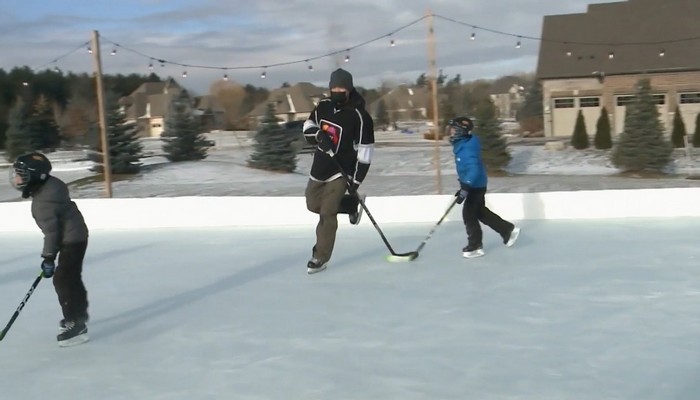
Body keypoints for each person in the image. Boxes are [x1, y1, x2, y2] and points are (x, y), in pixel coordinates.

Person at [10, 152, 90, 346]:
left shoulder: (43, 203)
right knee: (70, 277)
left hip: (72, 239)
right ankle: (79, 314)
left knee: (63, 279)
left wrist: (48, 257)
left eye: (21, 174)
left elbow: (52, 234)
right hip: (76, 235)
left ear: (35, 176)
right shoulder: (50, 187)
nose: (16, 178)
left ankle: (76, 323)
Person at [302, 68, 375, 274]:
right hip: (319, 167)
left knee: (327, 213)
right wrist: (317, 135)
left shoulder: (360, 117)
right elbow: (308, 125)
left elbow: (366, 152)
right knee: (312, 203)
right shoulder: (323, 106)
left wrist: (356, 180)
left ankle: (320, 256)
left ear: (349, 89)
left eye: (341, 88)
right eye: (333, 87)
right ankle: (351, 205)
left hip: (341, 172)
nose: (337, 91)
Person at [448, 117, 520, 258]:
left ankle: (475, 245)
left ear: (461, 131)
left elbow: (473, 169)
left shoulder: (466, 148)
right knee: (480, 213)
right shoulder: (464, 144)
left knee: (469, 215)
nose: (450, 132)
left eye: (453, 129)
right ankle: (507, 230)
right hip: (475, 184)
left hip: (475, 185)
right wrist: (464, 186)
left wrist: (466, 185)